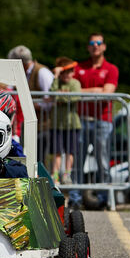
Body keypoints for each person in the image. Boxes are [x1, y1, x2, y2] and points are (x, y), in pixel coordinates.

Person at [71, 32, 119, 209]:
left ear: (104, 46)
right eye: (92, 43)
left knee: (103, 162)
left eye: (99, 43)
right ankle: (75, 199)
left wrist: (85, 92)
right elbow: (73, 91)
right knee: (78, 162)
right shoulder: (79, 67)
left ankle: (103, 199)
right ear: (88, 47)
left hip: (103, 121)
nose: (95, 46)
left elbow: (107, 93)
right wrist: (96, 91)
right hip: (81, 120)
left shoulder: (111, 69)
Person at [7, 45, 54, 160]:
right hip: (26, 127)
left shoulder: (42, 72)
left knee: (38, 159)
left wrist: (28, 105)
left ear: (20, 63)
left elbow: (50, 101)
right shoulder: (21, 74)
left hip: (42, 126)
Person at [50, 57, 82, 185]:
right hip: (57, 124)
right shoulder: (56, 82)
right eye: (64, 72)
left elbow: (75, 97)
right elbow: (52, 94)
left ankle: (67, 175)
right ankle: (55, 175)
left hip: (72, 124)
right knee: (57, 152)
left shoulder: (75, 83)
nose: (67, 75)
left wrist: (59, 98)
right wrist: (56, 77)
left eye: (70, 71)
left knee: (70, 152)